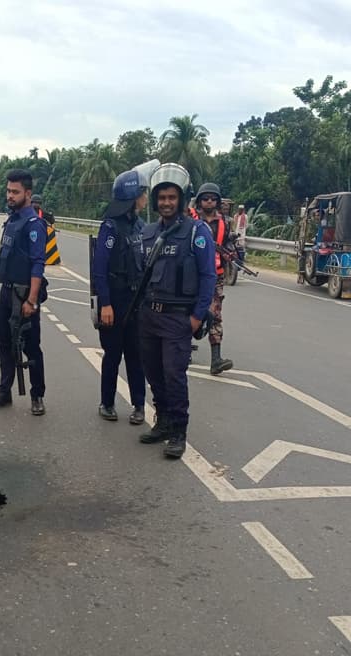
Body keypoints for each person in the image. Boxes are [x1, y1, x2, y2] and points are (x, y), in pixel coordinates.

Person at [137, 163, 216, 459]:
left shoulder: (197, 232)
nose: (166, 203)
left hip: (177, 318)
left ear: (181, 200)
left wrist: (196, 317)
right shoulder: (147, 233)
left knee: (174, 375)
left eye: (172, 198)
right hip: (148, 316)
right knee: (154, 374)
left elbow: (209, 276)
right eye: (162, 198)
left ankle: (179, 432)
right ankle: (163, 421)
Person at [0, 169, 48, 415]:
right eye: (8, 191)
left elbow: (37, 265)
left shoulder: (34, 224)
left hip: (24, 295)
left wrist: (31, 301)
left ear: (27, 194)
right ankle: (4, 392)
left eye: (15, 192)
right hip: (7, 293)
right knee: (5, 345)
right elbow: (6, 248)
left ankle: (37, 395)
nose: (9, 195)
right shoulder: (11, 220)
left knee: (31, 348)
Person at [92, 169, 148, 424]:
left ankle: (139, 405)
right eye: (142, 192)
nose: (146, 197)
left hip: (136, 303)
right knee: (113, 355)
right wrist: (105, 303)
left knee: (137, 356)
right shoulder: (110, 226)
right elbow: (99, 268)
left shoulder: (140, 226)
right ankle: (107, 403)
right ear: (133, 195)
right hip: (114, 300)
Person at [194, 182, 236, 374]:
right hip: (192, 275)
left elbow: (229, 243)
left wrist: (230, 253)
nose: (209, 202)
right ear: (199, 201)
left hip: (215, 275)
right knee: (186, 310)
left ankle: (216, 359)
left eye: (213, 198)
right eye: (205, 198)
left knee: (215, 314)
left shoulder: (225, 223)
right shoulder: (191, 219)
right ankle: (184, 349)